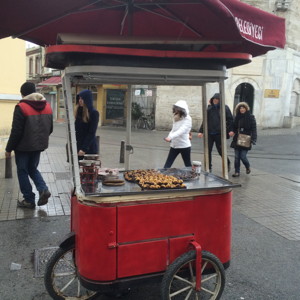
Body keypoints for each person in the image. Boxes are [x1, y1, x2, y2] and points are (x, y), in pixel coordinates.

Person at [5, 82, 53, 209]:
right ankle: (43, 189)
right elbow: (50, 128)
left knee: (22, 171)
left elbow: (16, 131)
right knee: (32, 168)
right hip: (38, 146)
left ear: (22, 93)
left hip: (23, 147)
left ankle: (28, 200)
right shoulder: (47, 106)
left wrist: (8, 148)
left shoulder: (21, 107)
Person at [197, 93, 234, 172]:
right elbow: (205, 121)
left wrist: (230, 130)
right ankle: (208, 168)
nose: (215, 100)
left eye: (217, 99)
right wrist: (201, 131)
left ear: (220, 100)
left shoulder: (225, 108)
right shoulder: (209, 108)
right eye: (214, 99)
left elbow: (230, 120)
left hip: (219, 134)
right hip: (209, 134)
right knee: (208, 151)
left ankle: (227, 163)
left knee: (221, 151)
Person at [231, 102, 257, 177]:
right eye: (240, 108)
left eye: (243, 108)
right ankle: (237, 172)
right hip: (237, 139)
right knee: (236, 157)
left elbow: (254, 129)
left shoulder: (251, 117)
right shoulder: (237, 117)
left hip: (246, 139)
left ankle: (247, 166)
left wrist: (253, 139)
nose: (242, 109)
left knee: (243, 156)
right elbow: (234, 127)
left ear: (246, 108)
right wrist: (232, 131)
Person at [163, 100, 192, 168]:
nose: (175, 110)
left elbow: (181, 131)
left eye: (177, 109)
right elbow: (173, 129)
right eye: (175, 108)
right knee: (167, 165)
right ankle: (163, 176)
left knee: (188, 165)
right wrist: (169, 137)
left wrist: (170, 137)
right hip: (175, 145)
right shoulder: (176, 117)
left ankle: (193, 177)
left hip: (184, 146)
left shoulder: (188, 119)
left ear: (181, 110)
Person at [75, 89, 99, 160]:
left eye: (82, 98)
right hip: (78, 147)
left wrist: (84, 148)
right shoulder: (79, 111)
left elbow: (91, 132)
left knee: (88, 170)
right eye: (79, 98)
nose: (80, 100)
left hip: (88, 148)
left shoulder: (93, 113)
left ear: (87, 99)